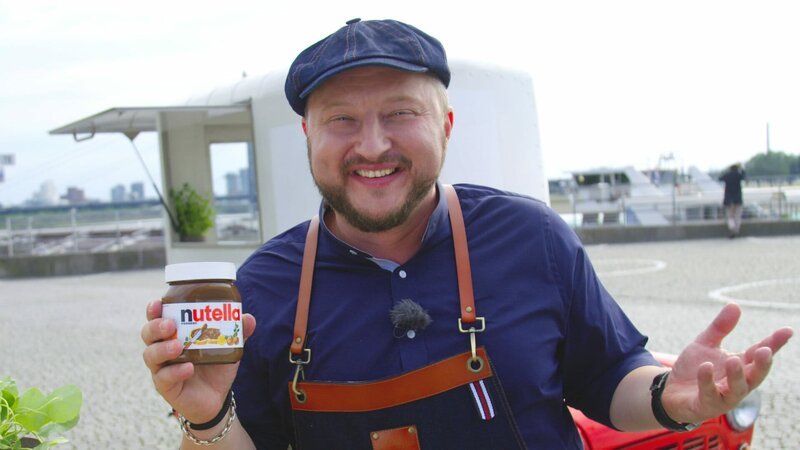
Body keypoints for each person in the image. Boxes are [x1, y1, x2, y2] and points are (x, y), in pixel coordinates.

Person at [141, 19, 793, 449]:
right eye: (342, 120)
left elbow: (611, 378)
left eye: (401, 113)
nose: (373, 145)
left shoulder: (531, 237)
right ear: (307, 136)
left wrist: (668, 397)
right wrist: (203, 417)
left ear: (446, 125)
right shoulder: (262, 286)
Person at [718, 163, 746, 238]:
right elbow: (744, 177)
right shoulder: (738, 175)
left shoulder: (727, 175)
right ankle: (736, 231)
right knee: (738, 216)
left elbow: (720, 178)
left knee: (730, 216)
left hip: (729, 199)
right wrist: (742, 169)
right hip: (738, 199)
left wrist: (725, 171)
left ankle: (732, 228)